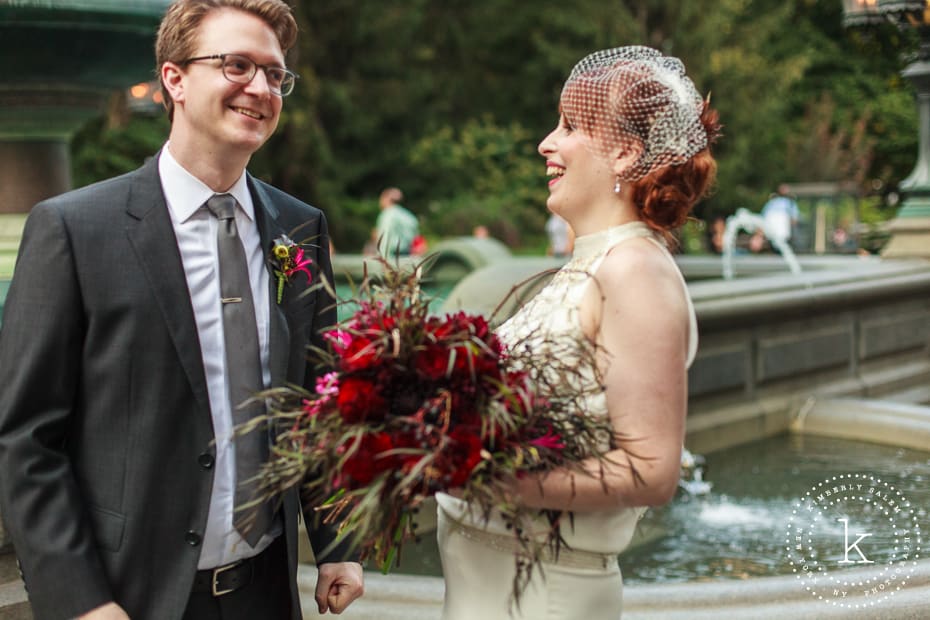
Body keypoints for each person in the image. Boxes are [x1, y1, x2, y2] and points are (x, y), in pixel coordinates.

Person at [0, 2, 364, 619]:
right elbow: (27, 439)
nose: (261, 88)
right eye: (237, 65)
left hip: (266, 593)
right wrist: (80, 601)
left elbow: (318, 402)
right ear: (174, 79)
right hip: (129, 596)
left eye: (275, 75)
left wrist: (338, 543)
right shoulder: (73, 229)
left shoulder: (299, 229)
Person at [435, 46, 719, 619]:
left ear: (624, 153)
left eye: (569, 126)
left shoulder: (634, 269)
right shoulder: (588, 265)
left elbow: (650, 470)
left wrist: (480, 476)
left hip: (545, 597)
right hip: (489, 586)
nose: (547, 143)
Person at [373, 186, 419, 257]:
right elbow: (415, 236)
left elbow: (384, 237)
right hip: (407, 254)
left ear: (386, 199)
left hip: (392, 255)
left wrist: (382, 257)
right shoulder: (408, 215)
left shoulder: (387, 214)